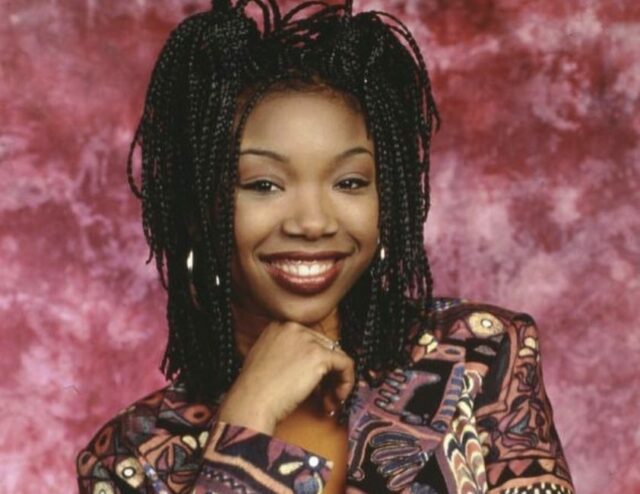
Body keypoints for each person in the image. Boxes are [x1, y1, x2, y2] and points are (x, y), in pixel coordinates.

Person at [76, 1, 575, 493]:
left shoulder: (479, 354)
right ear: (198, 210)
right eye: (263, 185)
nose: (313, 223)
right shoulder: (132, 457)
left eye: (350, 182)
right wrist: (247, 418)